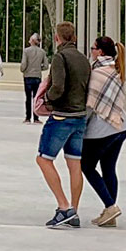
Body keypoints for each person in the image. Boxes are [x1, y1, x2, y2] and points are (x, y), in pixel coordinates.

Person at [34, 22, 92, 228]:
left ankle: (63, 206)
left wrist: (48, 100)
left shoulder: (60, 57)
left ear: (57, 38)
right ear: (73, 37)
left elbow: (58, 86)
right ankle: (73, 211)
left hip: (61, 116)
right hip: (79, 116)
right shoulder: (84, 59)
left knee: (43, 159)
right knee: (74, 164)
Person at [80, 35, 126, 226]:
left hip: (104, 128)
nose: (91, 52)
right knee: (108, 168)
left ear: (100, 52)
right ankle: (110, 214)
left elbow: (90, 106)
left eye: (93, 48)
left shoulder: (97, 73)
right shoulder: (116, 69)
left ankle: (110, 206)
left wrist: (79, 126)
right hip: (121, 125)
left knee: (86, 166)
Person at [20, 34, 48, 123]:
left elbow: (24, 64)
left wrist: (23, 69)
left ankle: (28, 117)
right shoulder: (42, 52)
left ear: (32, 41)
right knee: (36, 98)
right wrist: (39, 68)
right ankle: (36, 118)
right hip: (37, 76)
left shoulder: (26, 51)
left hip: (28, 76)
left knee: (28, 98)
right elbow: (46, 65)